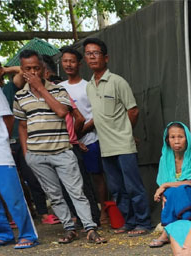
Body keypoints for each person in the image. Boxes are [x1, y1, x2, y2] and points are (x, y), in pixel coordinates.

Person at [13, 50, 104, 244]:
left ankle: (90, 228)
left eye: (36, 68)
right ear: (22, 70)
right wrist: (27, 153)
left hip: (62, 151)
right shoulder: (20, 96)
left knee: (76, 191)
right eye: (28, 69)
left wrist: (41, 88)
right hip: (37, 155)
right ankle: (69, 229)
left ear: (43, 69)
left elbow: (63, 112)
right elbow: (22, 126)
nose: (33, 72)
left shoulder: (59, 90)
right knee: (54, 195)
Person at [83, 37, 151, 236]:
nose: (92, 57)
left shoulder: (117, 81)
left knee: (133, 186)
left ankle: (144, 223)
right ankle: (129, 223)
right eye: (88, 54)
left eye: (96, 53)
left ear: (106, 58)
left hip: (123, 144)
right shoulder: (89, 86)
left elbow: (133, 110)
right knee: (116, 189)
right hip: (105, 147)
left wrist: (126, 133)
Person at [0, 56, 50, 221]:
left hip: (17, 138)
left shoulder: (10, 87)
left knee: (30, 177)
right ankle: (14, 216)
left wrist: (5, 70)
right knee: (8, 181)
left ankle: (43, 213)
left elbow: (22, 70)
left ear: (1, 70)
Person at [0, 73, 38, 249]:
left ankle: (28, 235)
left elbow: (7, 116)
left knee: (13, 196)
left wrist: (4, 141)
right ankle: (2, 235)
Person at [60, 45, 109, 223]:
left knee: (97, 176)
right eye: (65, 61)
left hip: (90, 138)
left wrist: (79, 134)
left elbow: (97, 115)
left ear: (79, 64)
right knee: (74, 179)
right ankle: (82, 215)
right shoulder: (58, 88)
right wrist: (72, 138)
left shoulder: (88, 86)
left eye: (72, 61)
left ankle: (104, 210)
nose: (68, 64)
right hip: (69, 142)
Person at [149, 122, 191, 247]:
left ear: (187, 139)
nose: (176, 141)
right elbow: (163, 183)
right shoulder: (164, 158)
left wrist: (165, 186)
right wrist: (164, 192)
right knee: (173, 192)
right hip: (172, 196)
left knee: (182, 189)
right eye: (172, 137)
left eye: (180, 137)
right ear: (167, 140)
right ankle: (181, 230)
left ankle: (167, 232)